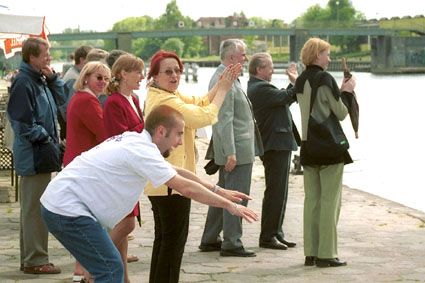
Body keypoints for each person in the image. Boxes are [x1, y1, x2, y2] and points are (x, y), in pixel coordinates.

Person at [40, 105, 259, 283]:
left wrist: (218, 189)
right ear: (161, 131)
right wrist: (230, 207)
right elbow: (185, 188)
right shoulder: (141, 150)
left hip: (63, 204)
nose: (180, 142)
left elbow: (177, 171)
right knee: (111, 268)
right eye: (179, 134)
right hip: (66, 209)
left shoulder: (137, 141)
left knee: (107, 267)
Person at [144, 50, 242, 283]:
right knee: (172, 244)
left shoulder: (166, 94)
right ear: (154, 76)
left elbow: (198, 103)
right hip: (171, 183)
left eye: (177, 70)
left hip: (163, 182)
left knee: (165, 242)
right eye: (168, 71)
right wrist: (225, 90)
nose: (175, 75)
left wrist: (219, 85)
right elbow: (202, 117)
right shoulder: (165, 100)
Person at [295, 38, 356, 268]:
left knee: (312, 202)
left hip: (308, 148)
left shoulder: (300, 80)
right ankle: (327, 254)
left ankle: (311, 253)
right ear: (317, 54)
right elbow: (340, 113)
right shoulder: (325, 78)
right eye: (327, 54)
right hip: (329, 148)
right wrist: (347, 92)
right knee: (330, 202)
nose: (329, 59)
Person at [199, 39, 264, 257]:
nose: (246, 59)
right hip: (236, 150)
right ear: (232, 58)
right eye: (243, 55)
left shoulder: (229, 77)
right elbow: (223, 118)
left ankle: (210, 238)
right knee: (237, 196)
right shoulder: (223, 79)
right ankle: (232, 242)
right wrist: (230, 152)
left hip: (236, 147)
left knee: (224, 195)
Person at [6, 37, 65, 275]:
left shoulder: (38, 79)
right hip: (34, 156)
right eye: (46, 53)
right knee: (35, 210)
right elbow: (22, 123)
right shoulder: (24, 82)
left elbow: (63, 100)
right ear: (33, 57)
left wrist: (53, 79)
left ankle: (31, 258)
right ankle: (35, 260)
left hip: (40, 154)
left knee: (33, 209)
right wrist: (46, 139)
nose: (49, 56)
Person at [64, 61, 110, 282]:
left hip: (77, 164)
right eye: (98, 77)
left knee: (83, 218)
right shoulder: (88, 101)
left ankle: (81, 269)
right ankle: (84, 271)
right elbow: (104, 133)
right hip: (85, 168)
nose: (103, 82)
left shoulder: (79, 98)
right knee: (89, 220)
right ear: (85, 77)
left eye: (106, 79)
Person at [247, 53, 299, 250]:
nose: (273, 70)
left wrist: (292, 85)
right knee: (275, 191)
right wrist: (296, 81)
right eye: (270, 67)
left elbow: (282, 98)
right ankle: (268, 236)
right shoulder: (259, 88)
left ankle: (276, 231)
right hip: (274, 144)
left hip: (278, 144)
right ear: (259, 69)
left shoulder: (260, 87)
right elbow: (286, 97)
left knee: (281, 191)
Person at [104, 54, 145, 283]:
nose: (142, 76)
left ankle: (124, 279)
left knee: (125, 229)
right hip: (119, 170)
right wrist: (146, 126)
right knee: (127, 222)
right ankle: (93, 265)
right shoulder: (113, 102)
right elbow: (119, 137)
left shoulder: (134, 99)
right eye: (137, 72)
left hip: (132, 170)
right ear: (122, 74)